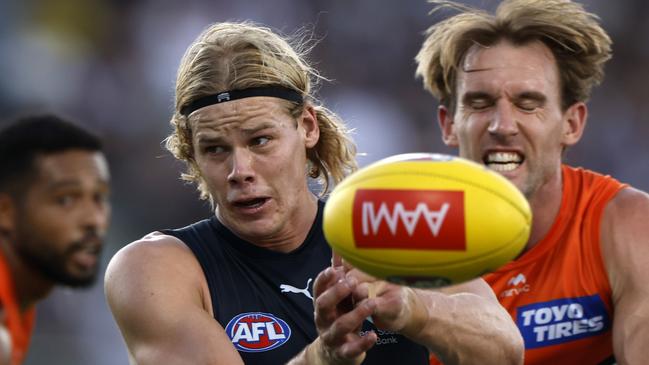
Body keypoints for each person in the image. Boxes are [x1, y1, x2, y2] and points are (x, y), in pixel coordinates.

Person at [104, 21, 523, 365]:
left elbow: (504, 350)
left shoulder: (385, 225)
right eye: (215, 149)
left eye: (260, 140)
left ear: (307, 127)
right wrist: (322, 358)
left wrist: (409, 307)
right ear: (191, 154)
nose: (240, 171)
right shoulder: (156, 269)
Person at [415, 0, 649, 364]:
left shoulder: (627, 224)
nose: (502, 126)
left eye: (527, 103)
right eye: (480, 103)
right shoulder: (405, 243)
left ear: (571, 124)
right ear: (448, 124)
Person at [0, 114, 111, 365]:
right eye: (65, 199)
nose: (93, 219)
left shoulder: (21, 301)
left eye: (99, 197)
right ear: (5, 212)